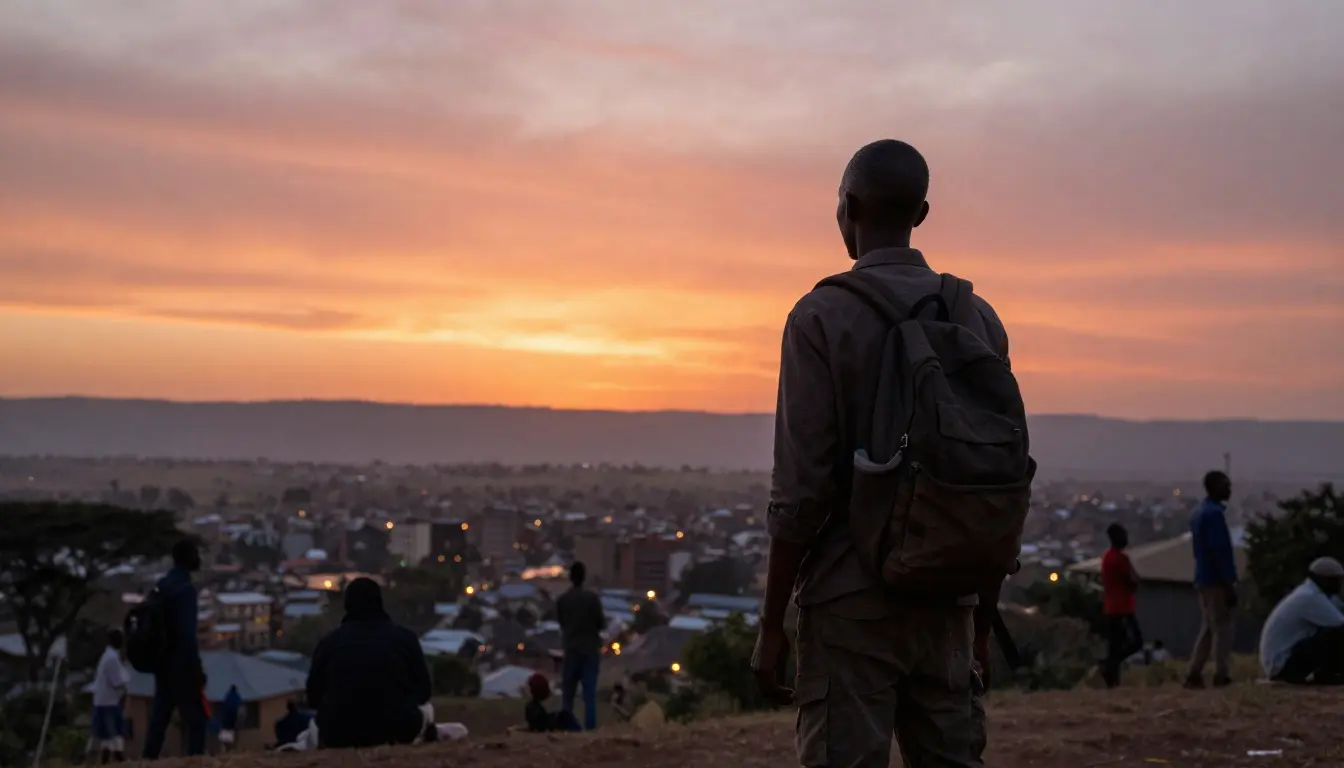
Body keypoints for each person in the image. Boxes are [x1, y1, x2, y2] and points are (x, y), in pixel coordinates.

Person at [754, 139, 1011, 768]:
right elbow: (994, 486)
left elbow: (800, 494)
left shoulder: (820, 317)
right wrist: (980, 625)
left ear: (849, 207)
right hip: (947, 598)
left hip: (850, 601)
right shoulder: (977, 318)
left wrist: (771, 626)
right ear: (921, 213)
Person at [306, 577, 433, 749]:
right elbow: (424, 692)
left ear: (347, 605)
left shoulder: (329, 642)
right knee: (428, 710)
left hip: (337, 734)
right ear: (380, 602)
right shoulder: (405, 638)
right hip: (400, 730)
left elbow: (313, 698)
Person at [143, 539, 208, 760]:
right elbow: (186, 635)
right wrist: (196, 668)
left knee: (159, 719)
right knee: (197, 719)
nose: (199, 558)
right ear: (189, 558)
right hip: (181, 664)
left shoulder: (162, 584)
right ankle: (195, 761)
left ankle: (147, 760)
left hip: (162, 662)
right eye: (196, 554)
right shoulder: (185, 589)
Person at [1185, 471, 1238, 689]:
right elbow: (1218, 552)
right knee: (1222, 628)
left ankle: (1194, 673)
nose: (1229, 489)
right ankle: (1221, 674)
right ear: (1214, 487)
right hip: (1216, 580)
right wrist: (1229, 585)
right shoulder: (1214, 515)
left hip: (1203, 577)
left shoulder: (1199, 512)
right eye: (1225, 485)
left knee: (1209, 627)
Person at [1259, 557, 1344, 685]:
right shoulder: (1310, 597)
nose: (1339, 585)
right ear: (1325, 580)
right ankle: (1328, 675)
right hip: (1282, 666)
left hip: (1279, 663)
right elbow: (1339, 624)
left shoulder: (1309, 592)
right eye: (1336, 580)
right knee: (1335, 634)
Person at [555, 561, 605, 730]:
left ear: (570, 577)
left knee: (568, 694)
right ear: (584, 577)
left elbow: (562, 623)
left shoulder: (563, 600)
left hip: (571, 649)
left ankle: (567, 727)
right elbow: (601, 623)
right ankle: (590, 728)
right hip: (590, 650)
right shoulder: (592, 599)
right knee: (589, 694)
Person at [1100, 523, 1143, 688]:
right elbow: (1133, 582)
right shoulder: (1120, 558)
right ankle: (1110, 665)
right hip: (1123, 608)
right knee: (1135, 642)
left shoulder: (1107, 556)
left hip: (1111, 607)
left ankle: (1112, 679)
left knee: (1115, 644)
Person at [91, 629, 131, 764]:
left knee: (105, 732)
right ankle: (118, 755)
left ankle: (106, 757)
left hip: (102, 699)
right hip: (110, 700)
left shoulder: (107, 655)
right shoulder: (113, 658)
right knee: (114, 729)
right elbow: (118, 681)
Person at [215, 684, 242, 750]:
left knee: (226, 732)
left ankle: (226, 747)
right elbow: (239, 705)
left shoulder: (227, 696)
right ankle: (229, 747)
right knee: (230, 732)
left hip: (226, 718)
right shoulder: (236, 697)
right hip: (232, 718)